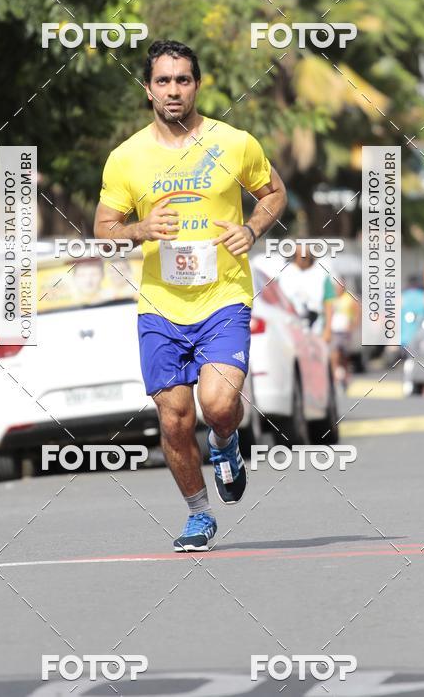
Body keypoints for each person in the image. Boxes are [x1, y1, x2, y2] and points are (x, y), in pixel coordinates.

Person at [94, 40, 287, 551]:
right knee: (175, 417)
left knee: (218, 404)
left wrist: (252, 228)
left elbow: (274, 193)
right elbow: (103, 228)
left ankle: (226, 442)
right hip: (160, 306)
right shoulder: (127, 157)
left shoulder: (234, 142)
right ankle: (199, 515)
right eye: (163, 80)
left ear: (197, 85)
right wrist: (139, 229)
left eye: (183, 79)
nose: (173, 89)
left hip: (224, 297)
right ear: (148, 89)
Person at [277, 244, 335, 341]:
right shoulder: (284, 273)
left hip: (316, 330)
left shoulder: (321, 274)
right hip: (288, 330)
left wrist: (328, 330)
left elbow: (329, 303)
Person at [329, 278, 358, 394]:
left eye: (340, 286)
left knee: (344, 357)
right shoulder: (332, 299)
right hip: (334, 331)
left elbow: (357, 313)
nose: (338, 289)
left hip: (345, 332)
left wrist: (352, 326)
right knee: (335, 355)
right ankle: (335, 380)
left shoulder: (349, 298)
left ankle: (345, 377)